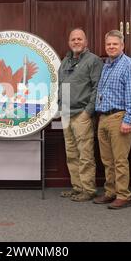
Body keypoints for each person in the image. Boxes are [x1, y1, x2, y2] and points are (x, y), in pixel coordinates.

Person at [93, 30, 131, 209]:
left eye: (115, 44)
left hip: (120, 117)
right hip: (103, 117)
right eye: (108, 44)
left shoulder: (130, 65)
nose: (111, 47)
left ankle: (123, 195)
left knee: (120, 160)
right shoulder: (106, 65)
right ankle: (110, 192)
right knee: (107, 160)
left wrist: (128, 120)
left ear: (122, 46)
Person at [57, 28, 103, 202]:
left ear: (86, 42)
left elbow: (97, 88)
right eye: (73, 39)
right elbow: (62, 86)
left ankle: (89, 189)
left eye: (79, 39)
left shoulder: (93, 61)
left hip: (82, 114)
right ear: (69, 42)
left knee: (85, 155)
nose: (76, 42)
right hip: (66, 114)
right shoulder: (66, 61)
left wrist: (88, 112)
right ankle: (78, 187)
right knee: (71, 153)